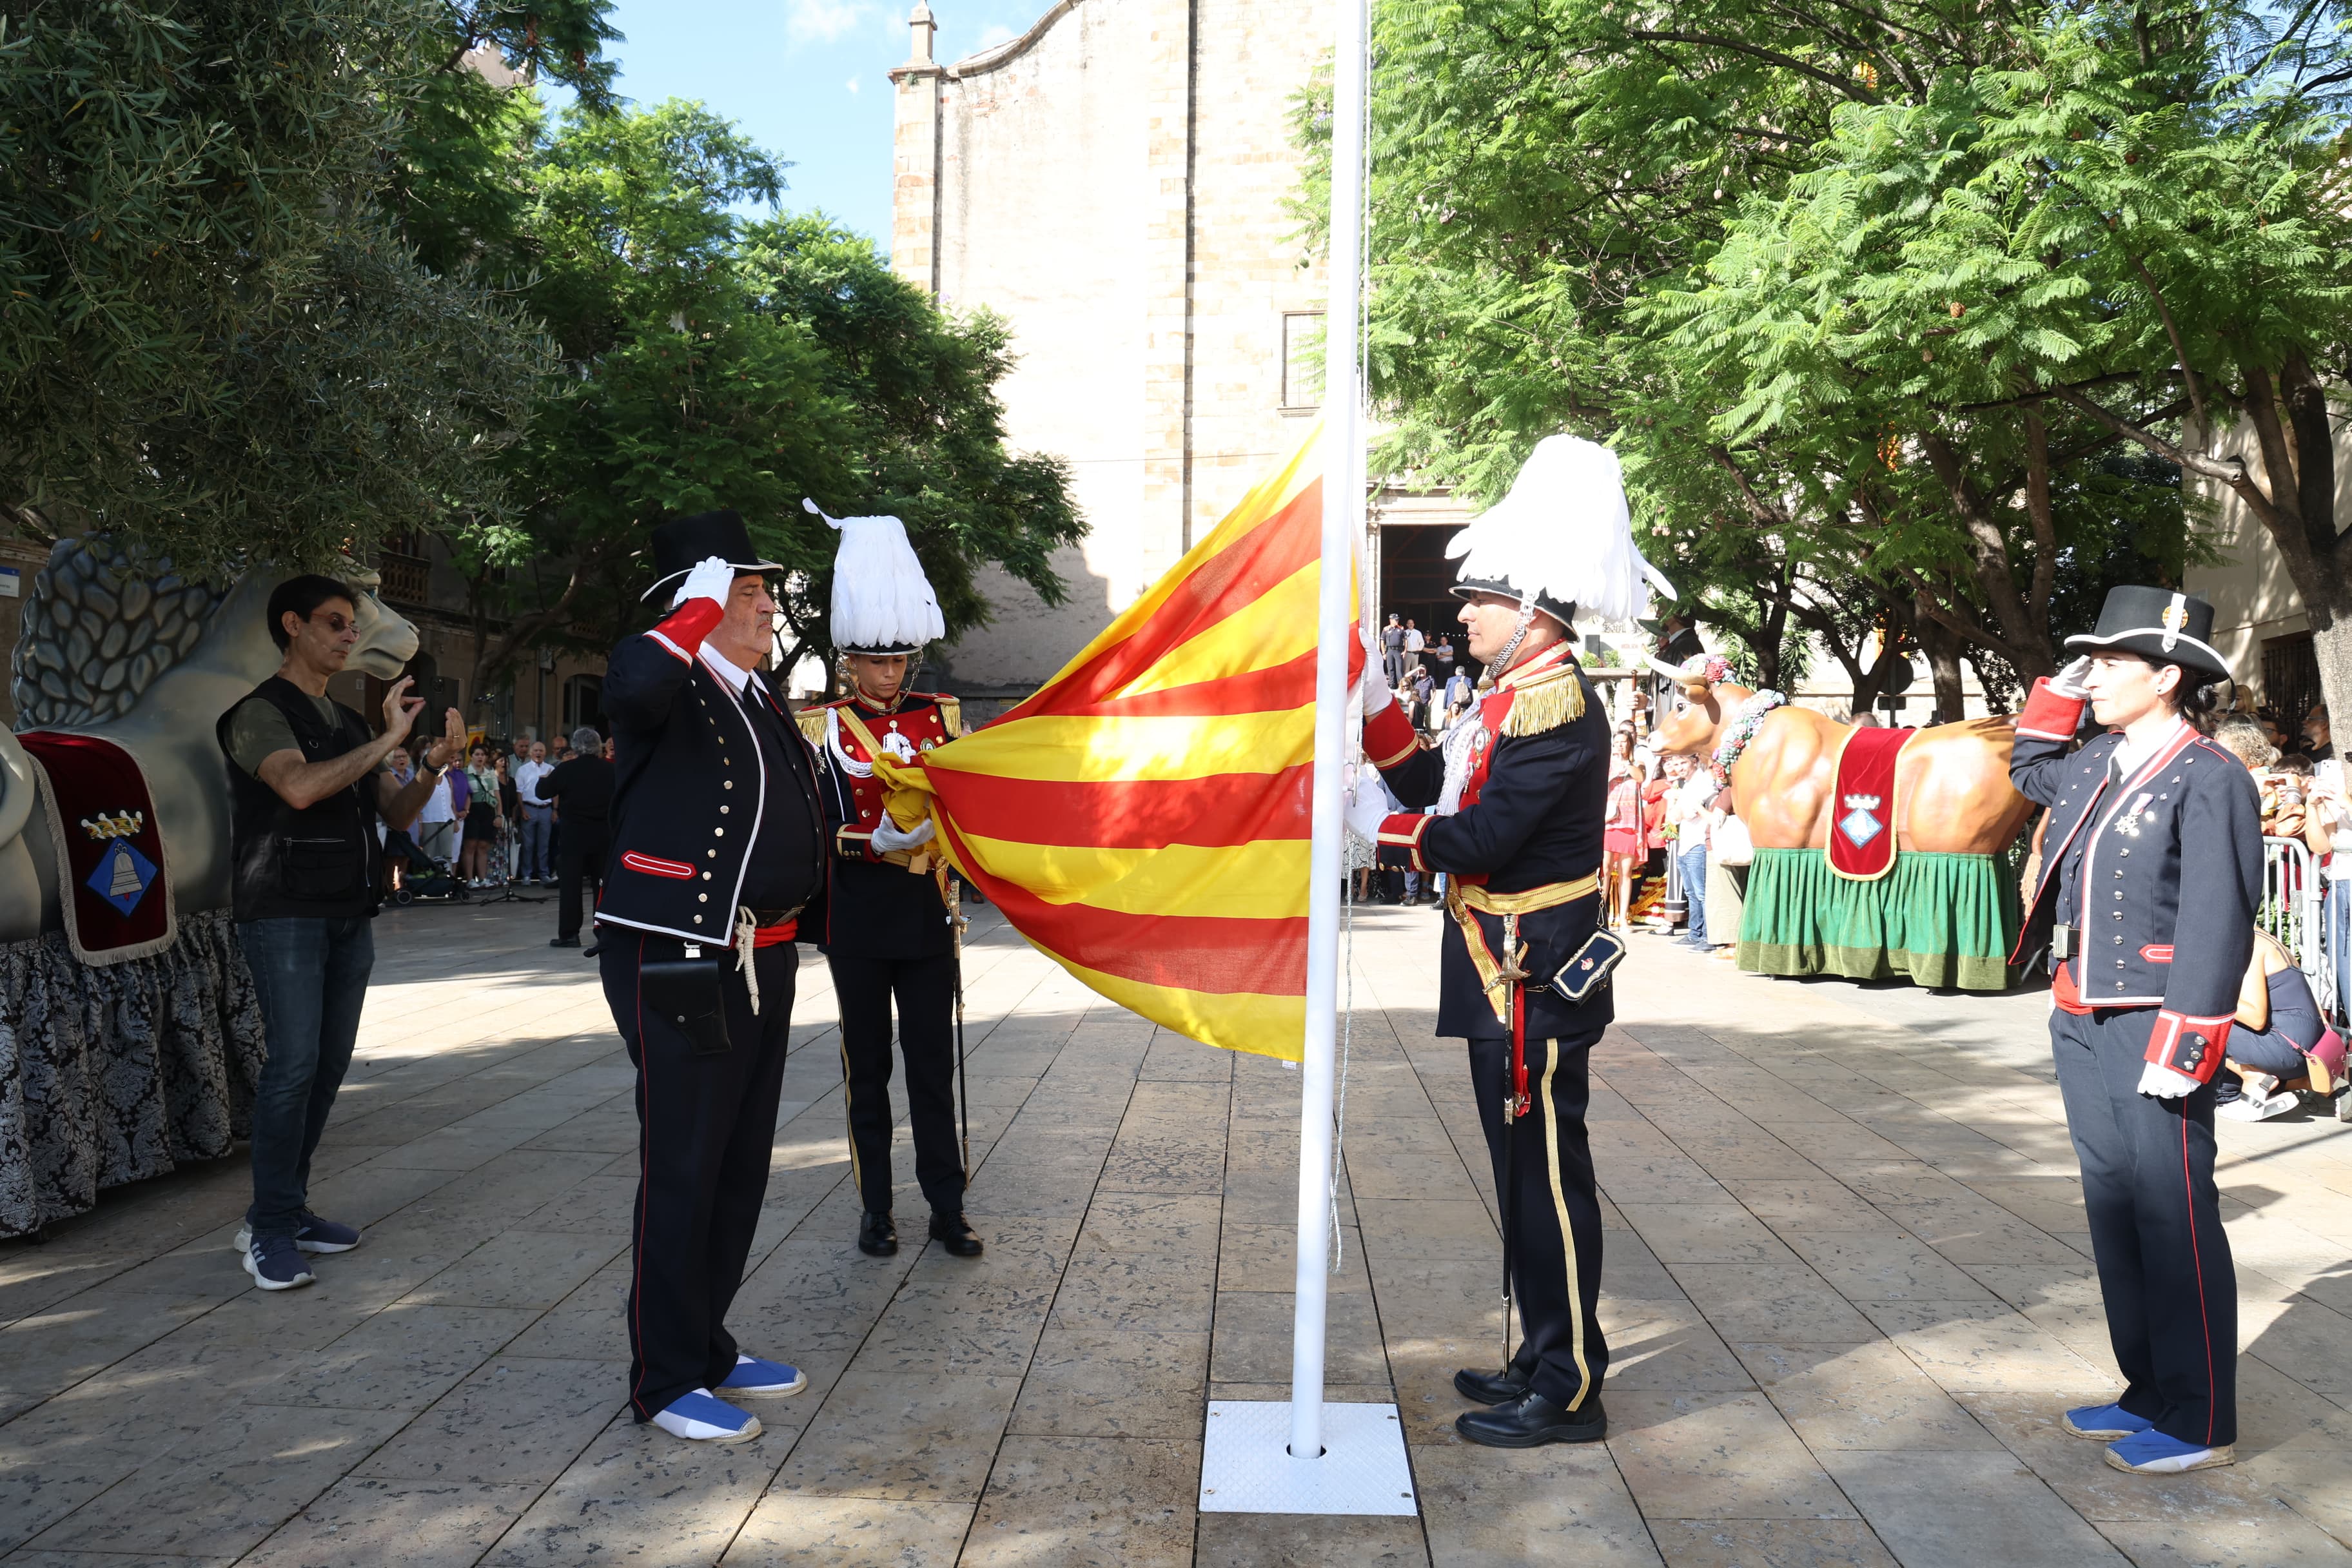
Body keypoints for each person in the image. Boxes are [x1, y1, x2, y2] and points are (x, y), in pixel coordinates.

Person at [1346, 433, 1667, 1448]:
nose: (1464, 613)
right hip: (1500, 972)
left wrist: (1381, 831)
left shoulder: (1558, 705)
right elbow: (1432, 780)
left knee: (1549, 1184)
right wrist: (1373, 713)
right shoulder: (1507, 700)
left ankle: (1570, 1386)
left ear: (1530, 612)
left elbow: (1478, 836)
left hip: (1534, 979)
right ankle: (1539, 1352)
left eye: (1480, 602)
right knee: (1521, 1177)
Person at [2009, 585, 2259, 1475]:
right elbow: (2027, 761)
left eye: (2110, 663)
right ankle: (2148, 1389)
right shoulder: (2094, 760)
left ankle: (2201, 1420)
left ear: (2165, 677)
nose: (2095, 678)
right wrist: (2060, 688)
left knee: (2175, 1211)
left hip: (2156, 1021)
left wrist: (2189, 1045)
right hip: (2077, 1007)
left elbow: (2219, 917)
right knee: (2114, 1204)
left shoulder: (2210, 774)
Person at [594, 509, 828, 1444]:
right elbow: (634, 686)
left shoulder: (759, 694)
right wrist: (688, 615)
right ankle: (664, 1377)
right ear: (694, 601)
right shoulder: (666, 673)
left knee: (738, 1167)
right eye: (750, 590)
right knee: (685, 1165)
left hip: (760, 955)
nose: (772, 606)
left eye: (768, 590)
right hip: (678, 954)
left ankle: (709, 1346)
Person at [217, 574, 465, 1289]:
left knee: (325, 1069)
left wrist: (426, 764)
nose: (349, 636)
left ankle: (289, 1208)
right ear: (292, 624)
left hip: (345, 912)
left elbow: (395, 811)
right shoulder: (257, 713)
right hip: (283, 907)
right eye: (335, 622)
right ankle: (264, 1228)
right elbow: (296, 786)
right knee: (292, 1067)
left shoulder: (348, 724)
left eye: (353, 625)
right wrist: (388, 734)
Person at [798, 505, 984, 1262]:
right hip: (859, 918)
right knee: (867, 1070)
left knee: (934, 1069)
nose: (891, 672)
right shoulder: (822, 726)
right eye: (877, 662)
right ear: (849, 663)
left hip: (926, 915)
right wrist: (864, 838)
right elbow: (811, 828)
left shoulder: (941, 716)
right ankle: (877, 1207)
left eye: (901, 659)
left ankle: (947, 1206)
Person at [2216, 929, 2326, 1121]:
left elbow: (2256, 1018)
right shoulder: (2268, 939)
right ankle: (2297, 1082)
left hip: (2288, 1049)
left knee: (2196, 1022)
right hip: (2309, 1051)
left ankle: (2254, 1078)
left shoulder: (2252, 945)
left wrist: (2206, 997)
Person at [544, 726, 614, 948]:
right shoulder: (611, 770)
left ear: (575, 746)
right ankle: (604, 931)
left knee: (571, 886)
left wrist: (545, 778)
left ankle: (569, 934)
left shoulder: (567, 769)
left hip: (574, 835)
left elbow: (542, 792)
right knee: (602, 885)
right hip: (603, 834)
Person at [1664, 754, 1714, 949]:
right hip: (1685, 844)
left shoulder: (1703, 781)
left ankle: (1708, 937)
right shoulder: (1683, 785)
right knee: (1691, 893)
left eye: (1683, 763)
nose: (1680, 767)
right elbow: (1674, 817)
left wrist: (1680, 812)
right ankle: (1695, 933)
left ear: (1694, 761)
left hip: (1698, 843)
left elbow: (1690, 813)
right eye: (1676, 764)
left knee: (1701, 893)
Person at [1602, 732, 1642, 928]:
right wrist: (1614, 764)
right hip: (1608, 822)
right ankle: (1602, 916)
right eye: (1616, 743)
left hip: (1628, 822)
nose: (1619, 746)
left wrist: (1625, 763)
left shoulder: (1636, 763)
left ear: (1629, 744)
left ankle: (1624, 917)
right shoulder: (1607, 764)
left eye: (1623, 742)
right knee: (1606, 869)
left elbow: (1640, 777)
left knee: (1626, 871)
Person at [516, 739, 555, 883]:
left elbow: (555, 793)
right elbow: (519, 792)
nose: (538, 753)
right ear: (531, 753)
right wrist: (522, 810)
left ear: (545, 753)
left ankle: (544, 873)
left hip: (546, 809)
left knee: (544, 844)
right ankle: (526, 874)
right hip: (529, 808)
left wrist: (555, 810)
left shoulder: (551, 769)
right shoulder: (523, 770)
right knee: (528, 844)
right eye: (536, 750)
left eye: (541, 751)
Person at [1382, 612, 1406, 685]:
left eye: (1397, 620)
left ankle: (1401, 685)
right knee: (1391, 668)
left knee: (1399, 669)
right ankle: (1392, 685)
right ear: (1391, 620)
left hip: (1398, 650)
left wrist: (1405, 651)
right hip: (1390, 650)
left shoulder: (1401, 629)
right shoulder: (1386, 629)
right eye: (1395, 620)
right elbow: (1382, 641)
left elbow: (1406, 640)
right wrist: (1383, 653)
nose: (1397, 621)